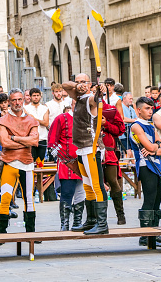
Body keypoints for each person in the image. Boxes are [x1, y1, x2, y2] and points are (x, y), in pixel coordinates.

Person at [62, 74, 109, 235]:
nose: (80, 85)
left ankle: (102, 223)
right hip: (81, 148)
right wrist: (77, 86)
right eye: (78, 82)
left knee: (97, 186)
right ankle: (91, 221)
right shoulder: (78, 96)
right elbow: (65, 85)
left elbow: (95, 100)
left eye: (84, 82)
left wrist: (99, 92)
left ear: (90, 84)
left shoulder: (89, 98)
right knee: (88, 186)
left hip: (91, 147)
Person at [0, 88, 39, 238]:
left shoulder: (31, 119)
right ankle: (1, 232)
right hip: (9, 162)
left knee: (29, 198)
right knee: (5, 198)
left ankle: (31, 233)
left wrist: (14, 138)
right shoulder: (3, 120)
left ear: (23, 100)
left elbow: (35, 141)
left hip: (27, 164)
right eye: (13, 100)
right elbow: (4, 142)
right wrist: (25, 141)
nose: (17, 102)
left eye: (19, 99)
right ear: (8, 101)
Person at [130, 97, 161, 246]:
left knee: (158, 199)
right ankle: (144, 235)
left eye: (151, 108)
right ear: (138, 110)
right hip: (145, 165)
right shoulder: (136, 126)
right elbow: (151, 147)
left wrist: (157, 149)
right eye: (147, 108)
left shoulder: (151, 125)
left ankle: (155, 233)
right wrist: (156, 148)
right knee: (149, 199)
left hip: (157, 164)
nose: (150, 111)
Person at [48, 100, 86, 230]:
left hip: (84, 161)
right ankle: (64, 224)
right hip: (67, 163)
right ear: (72, 104)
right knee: (67, 192)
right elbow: (52, 142)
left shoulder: (86, 119)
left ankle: (77, 222)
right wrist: (64, 158)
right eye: (77, 103)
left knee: (81, 192)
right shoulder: (61, 118)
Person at [101, 102, 127, 225]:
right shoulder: (83, 108)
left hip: (108, 151)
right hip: (91, 150)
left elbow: (119, 130)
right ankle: (99, 218)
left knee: (113, 182)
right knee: (96, 184)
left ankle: (121, 215)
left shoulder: (109, 109)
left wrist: (106, 124)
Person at [25, 88, 49, 165]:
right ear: (30, 97)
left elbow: (46, 123)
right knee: (30, 162)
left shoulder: (44, 108)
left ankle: (41, 177)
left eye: (37, 95)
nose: (36, 97)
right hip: (30, 138)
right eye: (34, 95)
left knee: (40, 163)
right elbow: (26, 122)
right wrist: (38, 121)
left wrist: (33, 118)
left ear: (40, 96)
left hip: (42, 138)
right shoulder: (25, 108)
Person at [120, 92, 137, 158]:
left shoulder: (131, 109)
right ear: (124, 99)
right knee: (127, 152)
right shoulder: (120, 107)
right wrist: (133, 120)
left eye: (132, 99)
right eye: (129, 99)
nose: (131, 100)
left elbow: (136, 118)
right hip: (123, 134)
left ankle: (133, 166)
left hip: (131, 133)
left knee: (131, 152)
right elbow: (122, 118)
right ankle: (124, 167)